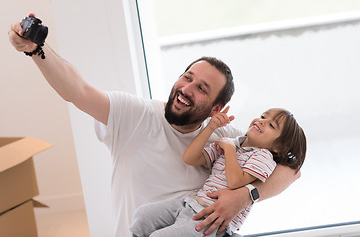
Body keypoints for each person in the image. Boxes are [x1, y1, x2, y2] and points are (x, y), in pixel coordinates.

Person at [8, 14, 301, 237]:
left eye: (201, 88)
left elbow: (292, 169)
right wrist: (37, 50)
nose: (187, 89)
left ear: (215, 109)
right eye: (187, 77)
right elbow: (79, 92)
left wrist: (245, 197)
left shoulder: (228, 137)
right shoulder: (135, 114)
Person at [130, 107, 306, 237]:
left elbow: (236, 183)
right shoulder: (231, 142)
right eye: (262, 116)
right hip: (191, 204)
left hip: (214, 222)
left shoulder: (263, 156)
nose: (261, 121)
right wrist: (211, 127)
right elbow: (190, 158)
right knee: (143, 215)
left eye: (271, 125)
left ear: (279, 147)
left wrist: (229, 150)